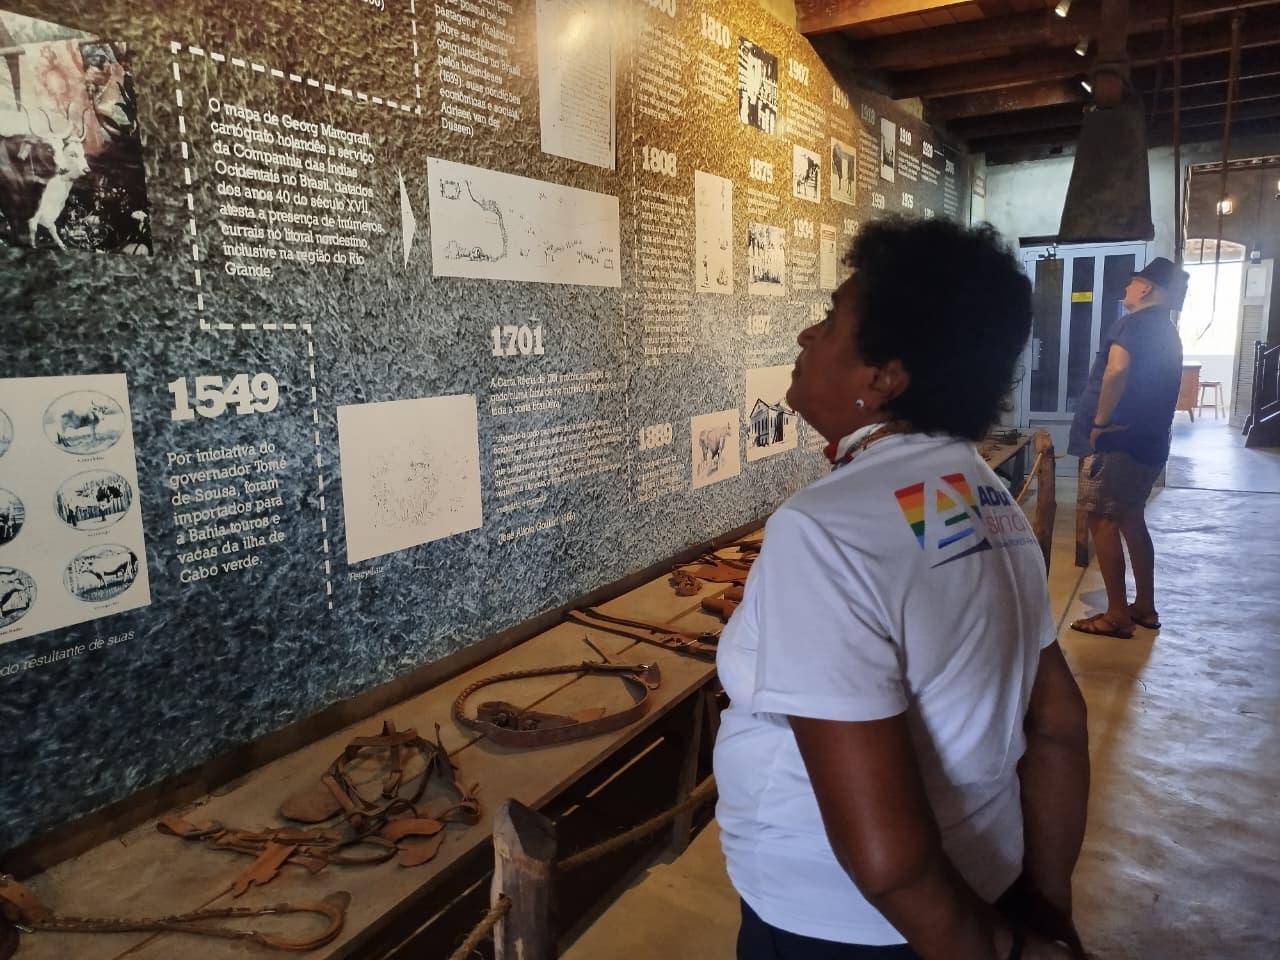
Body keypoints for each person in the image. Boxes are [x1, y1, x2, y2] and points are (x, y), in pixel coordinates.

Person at [714, 217, 1090, 960]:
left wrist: (1004, 954)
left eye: (830, 321)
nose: (807, 335)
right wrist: (1045, 914)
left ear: (884, 377)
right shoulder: (981, 491)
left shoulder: (823, 529)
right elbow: (1058, 725)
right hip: (982, 881)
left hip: (838, 925)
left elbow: (886, 860)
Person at [1067, 257, 1186, 639]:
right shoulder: (1167, 331)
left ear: (1147, 288)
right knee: (1132, 517)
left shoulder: (1133, 324)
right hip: (1148, 443)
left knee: (1101, 519)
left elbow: (1117, 370)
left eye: (1133, 282)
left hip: (1117, 442)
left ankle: (1117, 614)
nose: (1126, 289)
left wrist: (1100, 422)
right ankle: (1144, 606)